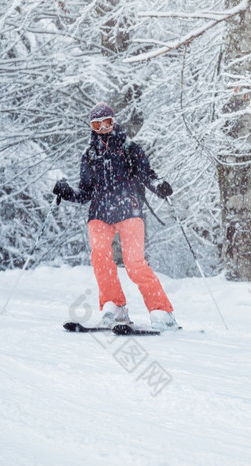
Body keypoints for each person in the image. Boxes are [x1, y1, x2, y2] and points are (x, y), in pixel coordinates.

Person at [53, 102, 178, 331]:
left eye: (107, 122)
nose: (103, 128)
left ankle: (162, 311)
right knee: (100, 258)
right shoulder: (89, 155)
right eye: (97, 124)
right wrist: (67, 192)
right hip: (99, 213)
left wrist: (158, 185)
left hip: (128, 209)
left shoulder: (129, 148)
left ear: (114, 122)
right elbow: (85, 193)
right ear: (91, 126)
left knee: (134, 263)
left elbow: (146, 174)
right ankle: (115, 305)